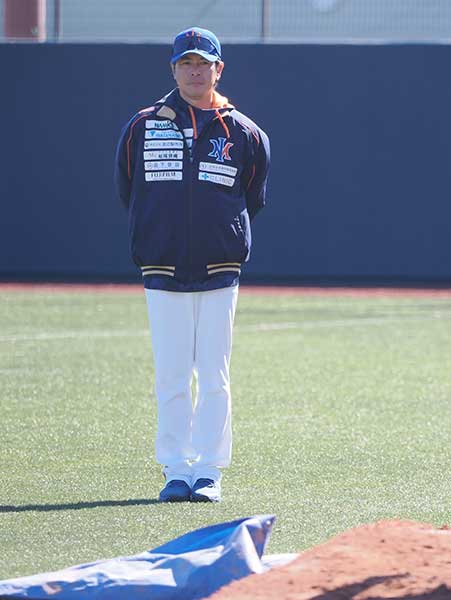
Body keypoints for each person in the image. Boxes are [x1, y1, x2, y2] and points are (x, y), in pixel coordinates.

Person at [114, 27, 271, 503]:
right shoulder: (142, 126)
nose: (196, 71)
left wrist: (220, 234)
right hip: (162, 270)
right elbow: (130, 191)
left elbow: (252, 197)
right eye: (187, 63)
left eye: (204, 63)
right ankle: (176, 469)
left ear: (219, 69)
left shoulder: (243, 131)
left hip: (219, 269)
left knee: (214, 374)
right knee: (172, 374)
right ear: (174, 70)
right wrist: (159, 235)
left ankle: (208, 471)